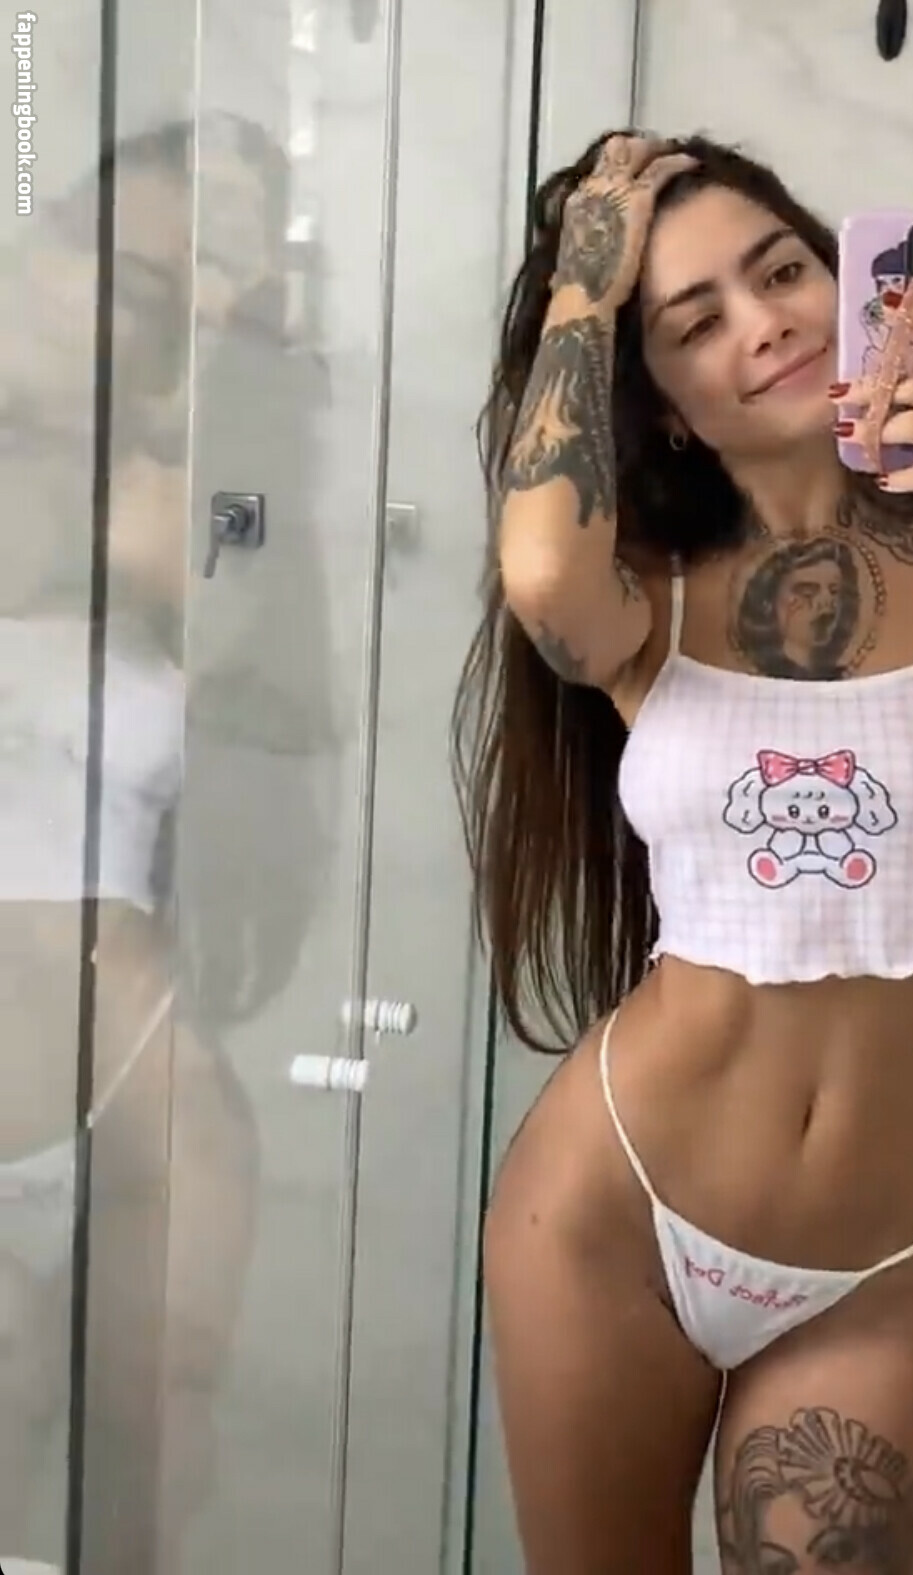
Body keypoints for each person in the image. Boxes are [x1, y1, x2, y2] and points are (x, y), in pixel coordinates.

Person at [453, 130, 913, 1574]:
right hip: (613, 1217)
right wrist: (589, 270)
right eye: (694, 320)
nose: (763, 320)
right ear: (658, 406)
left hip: (882, 1265)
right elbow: (536, 572)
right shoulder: (641, 598)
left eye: (781, 271)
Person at [0, 115, 334, 1570]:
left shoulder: (198, 494)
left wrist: (234, 411)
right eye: (128, 267)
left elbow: (267, 716)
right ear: (38, 245)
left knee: (141, 1488)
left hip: (145, 1082)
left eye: (203, 281)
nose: (156, 307)